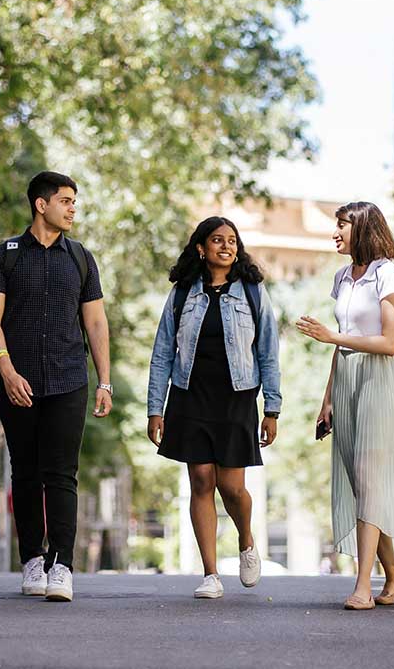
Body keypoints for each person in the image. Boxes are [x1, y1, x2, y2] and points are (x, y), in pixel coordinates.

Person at [295, 201, 394, 610]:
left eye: (342, 225)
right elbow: (342, 340)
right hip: (346, 381)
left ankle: (363, 586)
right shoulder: (342, 277)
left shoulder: (387, 273)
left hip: (380, 381)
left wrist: (332, 337)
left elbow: (389, 343)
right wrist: (327, 400)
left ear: (362, 228)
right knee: (364, 486)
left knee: (369, 482)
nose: (335, 233)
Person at [0, 171, 113, 602]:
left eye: (74, 202)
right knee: (25, 470)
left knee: (61, 473)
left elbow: (96, 322)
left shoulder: (81, 258)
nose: (73, 209)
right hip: (16, 382)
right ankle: (32, 560)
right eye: (66, 201)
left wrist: (104, 381)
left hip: (68, 379)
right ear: (41, 204)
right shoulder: (5, 257)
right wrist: (6, 370)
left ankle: (63, 566)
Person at [147, 217, 282, 599]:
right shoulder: (182, 294)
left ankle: (246, 540)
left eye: (232, 241)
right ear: (201, 248)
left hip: (237, 395)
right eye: (218, 240)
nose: (226, 246)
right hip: (190, 394)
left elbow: (268, 351)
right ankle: (210, 574)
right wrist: (155, 408)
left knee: (232, 487)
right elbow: (162, 352)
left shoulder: (252, 292)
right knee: (201, 480)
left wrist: (272, 409)